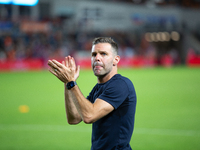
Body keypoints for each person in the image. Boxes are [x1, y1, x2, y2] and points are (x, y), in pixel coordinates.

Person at [47, 37, 137, 150]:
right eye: (94, 54)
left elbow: (89, 116)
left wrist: (71, 83)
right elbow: (74, 118)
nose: (97, 58)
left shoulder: (121, 84)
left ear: (116, 60)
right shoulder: (98, 88)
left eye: (103, 54)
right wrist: (67, 83)